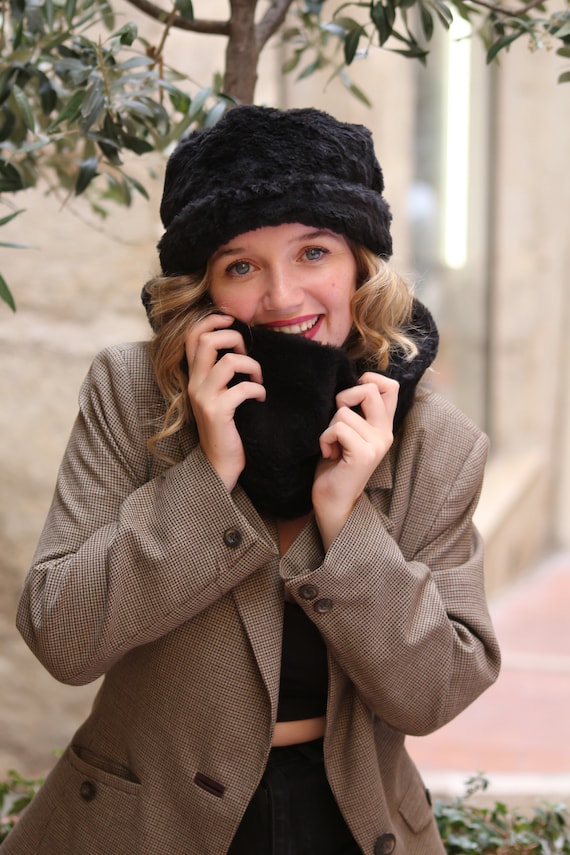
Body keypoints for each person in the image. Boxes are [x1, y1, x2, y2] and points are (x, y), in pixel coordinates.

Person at [4, 105, 500, 855]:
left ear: (360, 263)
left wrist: (345, 518)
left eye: (313, 253)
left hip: (351, 816)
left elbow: (434, 692)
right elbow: (62, 636)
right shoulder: (133, 391)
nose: (281, 297)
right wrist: (209, 473)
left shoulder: (436, 440)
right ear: (204, 287)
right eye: (242, 265)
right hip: (145, 820)